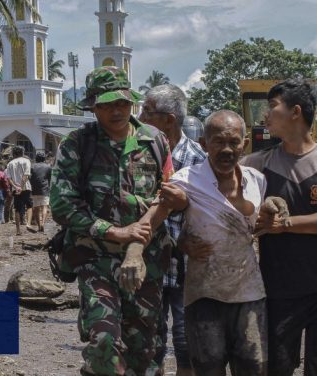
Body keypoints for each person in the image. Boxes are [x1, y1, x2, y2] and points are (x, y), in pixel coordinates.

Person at [50, 66, 176, 375]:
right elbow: (62, 206)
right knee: (104, 339)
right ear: (93, 106)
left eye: (121, 103)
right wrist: (115, 232)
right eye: (106, 105)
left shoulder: (155, 141)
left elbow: (167, 196)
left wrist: (135, 242)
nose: (116, 111)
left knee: (146, 348)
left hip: (148, 260)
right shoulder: (77, 144)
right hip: (96, 259)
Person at [243, 78, 317, 376]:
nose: (265, 115)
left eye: (272, 107)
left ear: (295, 112)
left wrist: (286, 224)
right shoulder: (256, 164)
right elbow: (233, 211)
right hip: (278, 288)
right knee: (276, 369)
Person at [167, 110, 268, 375]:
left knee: (252, 367)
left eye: (233, 142)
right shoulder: (185, 181)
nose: (226, 149)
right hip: (203, 293)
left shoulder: (257, 180)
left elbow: (257, 227)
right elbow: (161, 225)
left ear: (244, 144)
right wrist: (182, 243)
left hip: (248, 292)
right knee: (208, 368)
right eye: (218, 142)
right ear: (204, 144)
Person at [139, 84, 206, 375]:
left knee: (185, 340)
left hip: (183, 264)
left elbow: (207, 212)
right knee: (148, 339)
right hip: (144, 261)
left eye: (147, 111)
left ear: (168, 119)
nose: (139, 116)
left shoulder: (197, 159)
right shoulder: (137, 154)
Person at [5, 146, 32, 235]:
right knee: (29, 206)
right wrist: (21, 186)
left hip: (15, 189)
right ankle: (28, 224)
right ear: (22, 153)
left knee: (17, 209)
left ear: (14, 153)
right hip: (26, 187)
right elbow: (26, 175)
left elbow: (9, 178)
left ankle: (18, 230)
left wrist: (16, 187)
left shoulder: (10, 163)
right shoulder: (26, 161)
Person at [29, 151, 52, 233]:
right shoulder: (48, 167)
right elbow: (50, 179)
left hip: (34, 189)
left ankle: (39, 226)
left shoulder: (32, 166)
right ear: (44, 158)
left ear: (36, 158)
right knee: (45, 207)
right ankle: (43, 223)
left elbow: (29, 177)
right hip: (45, 189)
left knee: (36, 209)